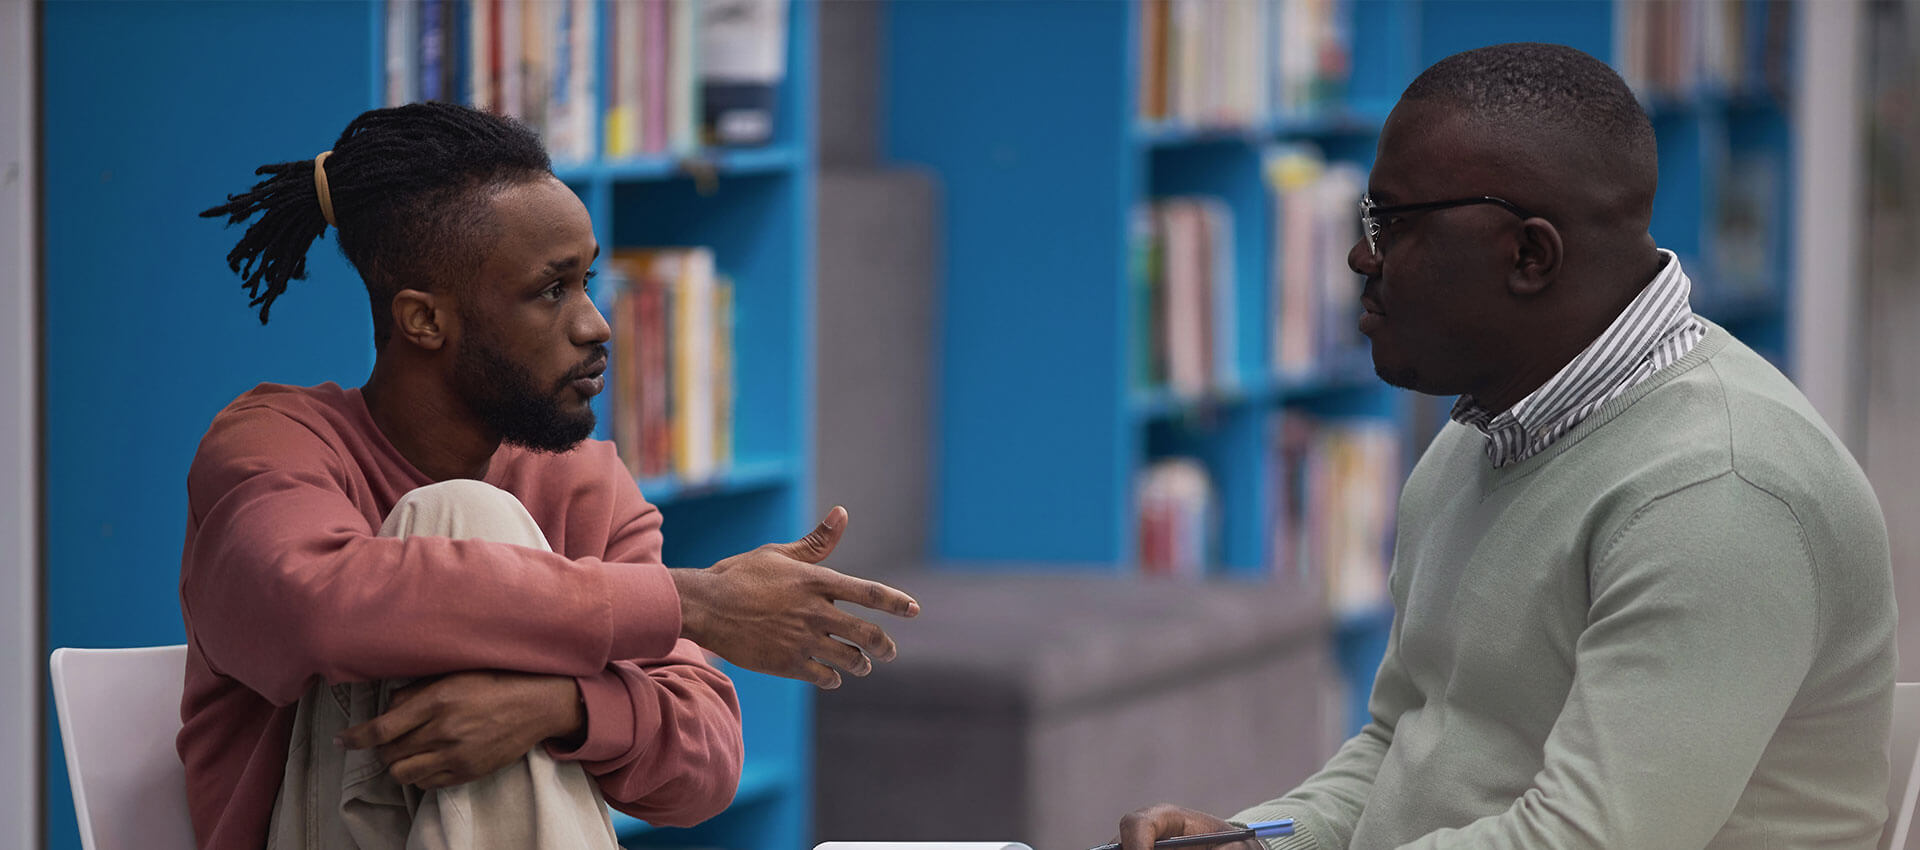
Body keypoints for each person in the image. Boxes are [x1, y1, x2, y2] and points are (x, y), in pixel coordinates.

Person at [1116, 42, 1895, 850]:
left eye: (1389, 223)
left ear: (1528, 255)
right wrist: (1260, 843)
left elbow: (1588, 841)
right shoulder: (1485, 433)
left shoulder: (1722, 492)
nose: (1359, 257)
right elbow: (1401, 742)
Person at [183, 101, 919, 850]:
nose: (596, 324)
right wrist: (688, 601)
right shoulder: (274, 444)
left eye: (587, 280)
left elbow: (707, 764)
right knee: (462, 515)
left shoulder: (583, 483)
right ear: (424, 320)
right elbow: (319, 606)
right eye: (550, 290)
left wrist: (558, 707)